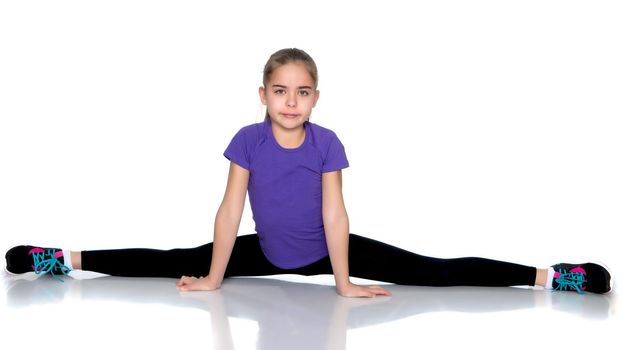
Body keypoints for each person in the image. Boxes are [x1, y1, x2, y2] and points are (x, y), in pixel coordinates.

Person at [4, 48, 612, 298]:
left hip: (326, 251)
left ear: (316, 97)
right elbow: (228, 211)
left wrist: (344, 282)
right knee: (172, 259)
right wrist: (215, 276)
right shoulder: (246, 139)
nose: (290, 101)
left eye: (302, 92)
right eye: (279, 91)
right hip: (263, 250)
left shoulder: (326, 142)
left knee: (434, 273)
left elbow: (335, 214)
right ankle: (58, 258)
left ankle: (554, 275)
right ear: (263, 94)